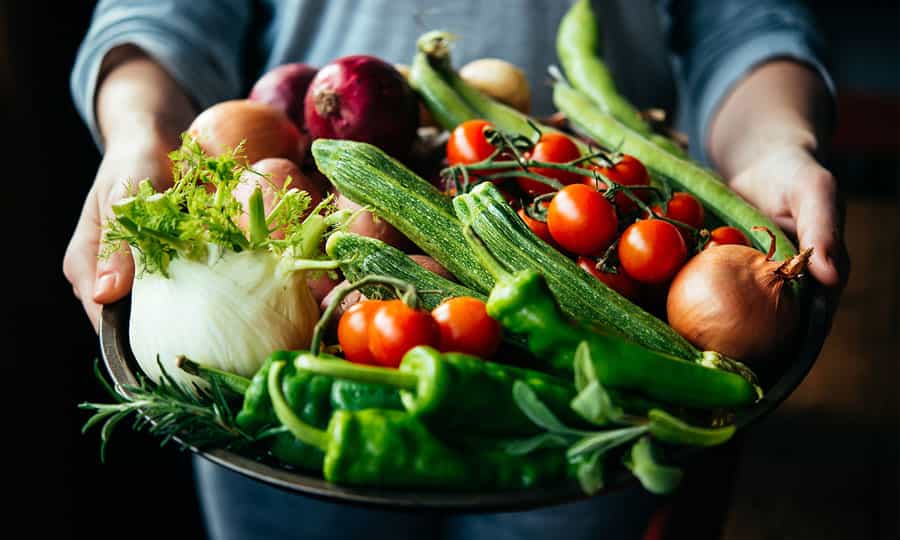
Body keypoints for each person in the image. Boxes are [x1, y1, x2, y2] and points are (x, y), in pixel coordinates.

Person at [64, 1, 849, 538]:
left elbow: (742, 18)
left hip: (591, 300)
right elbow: (164, 10)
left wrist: (777, 142)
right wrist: (140, 133)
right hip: (286, 338)